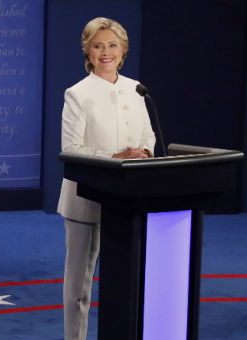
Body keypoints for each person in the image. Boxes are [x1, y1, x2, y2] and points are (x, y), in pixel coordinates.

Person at [56, 17, 156, 340]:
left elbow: (148, 136)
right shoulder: (77, 94)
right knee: (79, 288)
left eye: (112, 45)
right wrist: (114, 159)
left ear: (123, 50)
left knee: (126, 281)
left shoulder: (136, 89)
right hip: (86, 200)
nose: (105, 52)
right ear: (88, 50)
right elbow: (71, 150)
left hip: (128, 201)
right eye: (98, 45)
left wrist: (143, 152)